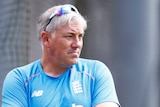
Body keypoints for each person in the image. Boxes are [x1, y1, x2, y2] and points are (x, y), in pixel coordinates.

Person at [2, 4, 120, 107]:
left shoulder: (96, 71)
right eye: (69, 36)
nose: (77, 44)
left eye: (80, 36)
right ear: (46, 38)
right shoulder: (20, 79)